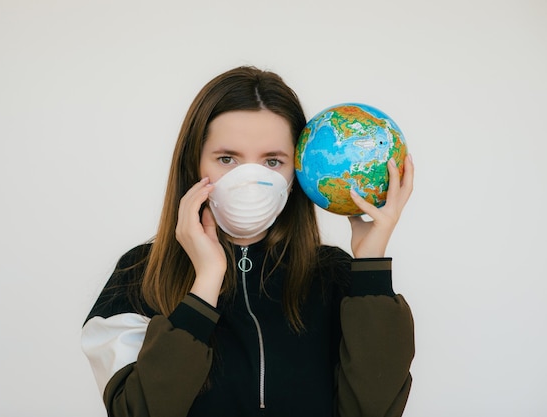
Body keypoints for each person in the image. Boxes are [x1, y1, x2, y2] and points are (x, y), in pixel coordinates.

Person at [81, 66, 415, 417]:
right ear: (193, 163)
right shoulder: (139, 276)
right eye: (227, 159)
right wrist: (206, 282)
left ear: (297, 172)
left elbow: (373, 410)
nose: (250, 179)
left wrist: (369, 267)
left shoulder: (338, 278)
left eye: (272, 161)